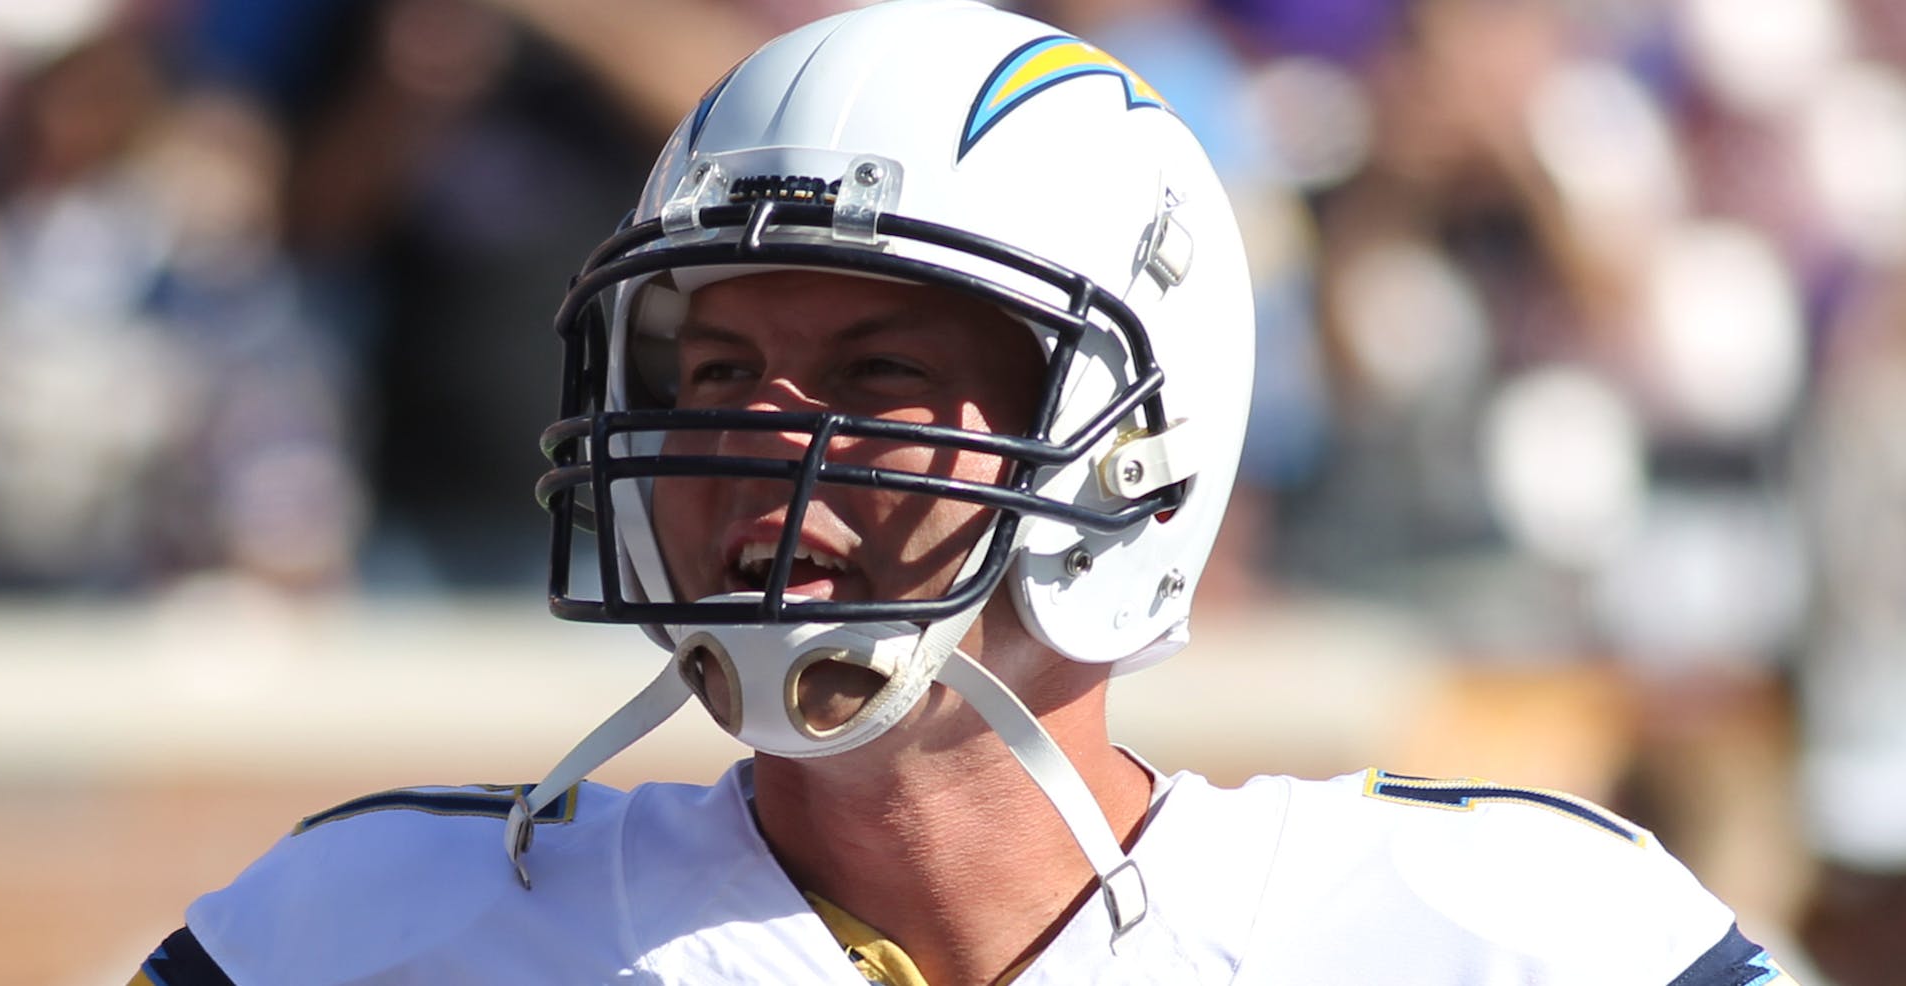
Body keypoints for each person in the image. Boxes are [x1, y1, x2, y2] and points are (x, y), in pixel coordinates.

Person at [131, 2, 1797, 983]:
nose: (763, 440)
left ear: (1131, 441)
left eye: (868, 373)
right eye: (714, 375)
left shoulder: (1512, 935)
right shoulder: (362, 940)